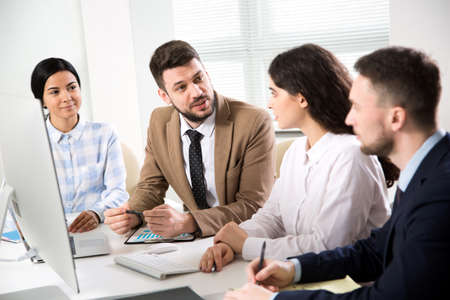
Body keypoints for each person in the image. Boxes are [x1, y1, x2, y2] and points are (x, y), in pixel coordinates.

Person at [225, 46, 450, 300]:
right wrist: (295, 269)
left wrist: (272, 299)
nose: (349, 118)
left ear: (395, 118)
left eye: (357, 107)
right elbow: (376, 250)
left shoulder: (440, 195)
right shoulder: (424, 172)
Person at [199, 44, 398, 272]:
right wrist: (233, 241)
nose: (269, 103)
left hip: (350, 285)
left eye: (274, 92)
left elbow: (329, 246)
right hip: (303, 276)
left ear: (302, 98)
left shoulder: (351, 155)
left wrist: (246, 245)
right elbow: (273, 217)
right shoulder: (295, 151)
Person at [104, 40, 275, 238]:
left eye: (198, 79)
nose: (197, 92)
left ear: (207, 76)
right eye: (181, 88)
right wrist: (132, 214)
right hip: (196, 239)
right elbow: (151, 186)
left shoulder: (253, 121)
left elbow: (253, 205)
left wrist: (190, 221)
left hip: (248, 235)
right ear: (164, 96)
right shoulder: (160, 121)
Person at [30, 58, 128, 233]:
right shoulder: (29, 141)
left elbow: (118, 192)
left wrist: (96, 213)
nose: (67, 97)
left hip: (96, 230)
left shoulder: (105, 134)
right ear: (42, 101)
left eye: (72, 87)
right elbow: (18, 200)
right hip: (48, 233)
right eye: (54, 92)